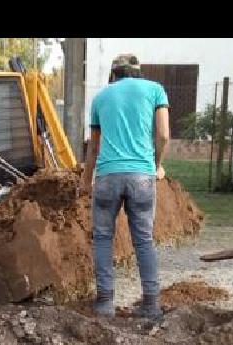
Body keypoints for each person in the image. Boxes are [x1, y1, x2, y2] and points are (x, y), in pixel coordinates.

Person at [82, 53, 170, 319]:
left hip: (108, 177)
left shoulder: (100, 98)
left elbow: (94, 147)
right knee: (143, 240)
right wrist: (156, 165)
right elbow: (164, 135)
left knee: (103, 239)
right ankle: (151, 304)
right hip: (142, 177)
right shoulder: (155, 90)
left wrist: (86, 180)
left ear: (114, 74)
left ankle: (105, 302)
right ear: (138, 72)